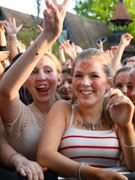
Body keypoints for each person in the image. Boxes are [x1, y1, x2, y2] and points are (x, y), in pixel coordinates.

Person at [37, 48, 135, 180]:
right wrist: (97, 174)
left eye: (94, 76)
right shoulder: (63, 109)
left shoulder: (116, 113)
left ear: (108, 83)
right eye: (78, 76)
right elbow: (44, 155)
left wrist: (126, 126)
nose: (85, 83)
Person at [0, 0, 70, 179]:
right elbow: (6, 91)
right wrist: (48, 35)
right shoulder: (19, 115)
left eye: (48, 71)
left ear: (59, 78)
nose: (41, 77)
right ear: (23, 81)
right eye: (33, 72)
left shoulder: (74, 108)